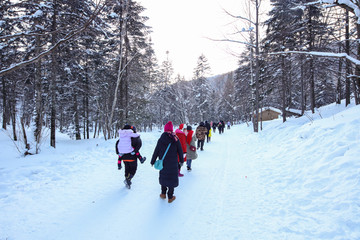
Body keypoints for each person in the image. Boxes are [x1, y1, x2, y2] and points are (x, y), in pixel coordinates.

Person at [151, 121, 184, 203]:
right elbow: (180, 151)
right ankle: (170, 197)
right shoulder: (175, 139)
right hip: (173, 164)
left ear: (165, 130)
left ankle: (163, 193)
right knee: (171, 179)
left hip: (163, 163)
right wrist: (181, 161)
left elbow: (156, 151)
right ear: (172, 130)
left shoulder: (161, 139)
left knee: (164, 177)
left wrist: (153, 160)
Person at [115, 125, 144, 189]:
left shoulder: (121, 139)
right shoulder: (134, 138)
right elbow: (138, 148)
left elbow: (117, 149)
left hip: (124, 158)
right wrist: (140, 158)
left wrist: (119, 162)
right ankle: (129, 179)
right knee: (133, 169)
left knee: (127, 168)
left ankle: (127, 179)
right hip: (132, 158)